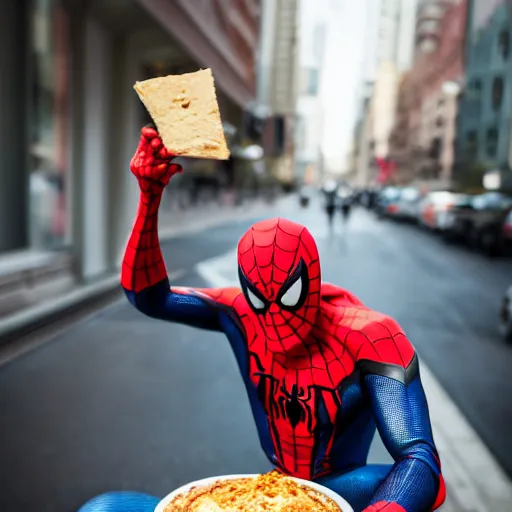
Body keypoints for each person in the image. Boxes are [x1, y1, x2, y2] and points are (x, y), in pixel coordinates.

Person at [79, 127, 445, 512]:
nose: (274, 317)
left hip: (342, 489)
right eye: (260, 298)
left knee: (385, 481)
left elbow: (419, 459)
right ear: (246, 289)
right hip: (272, 489)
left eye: (288, 297)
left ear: (311, 281)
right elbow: (150, 298)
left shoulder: (369, 337)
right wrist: (149, 198)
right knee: (104, 509)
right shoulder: (239, 312)